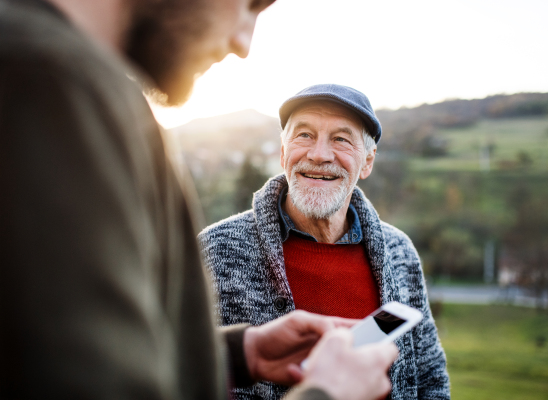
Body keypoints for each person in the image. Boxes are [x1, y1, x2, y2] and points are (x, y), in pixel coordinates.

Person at [0, 1, 398, 399]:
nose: (244, 43)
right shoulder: (52, 82)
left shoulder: (72, 80)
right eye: (250, 3)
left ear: (368, 161)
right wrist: (327, 393)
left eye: (341, 139)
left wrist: (238, 354)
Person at [200, 84, 451, 400]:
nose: (318, 154)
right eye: (304, 135)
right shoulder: (213, 250)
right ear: (282, 153)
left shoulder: (399, 251)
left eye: (341, 139)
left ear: (368, 161)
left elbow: (431, 380)